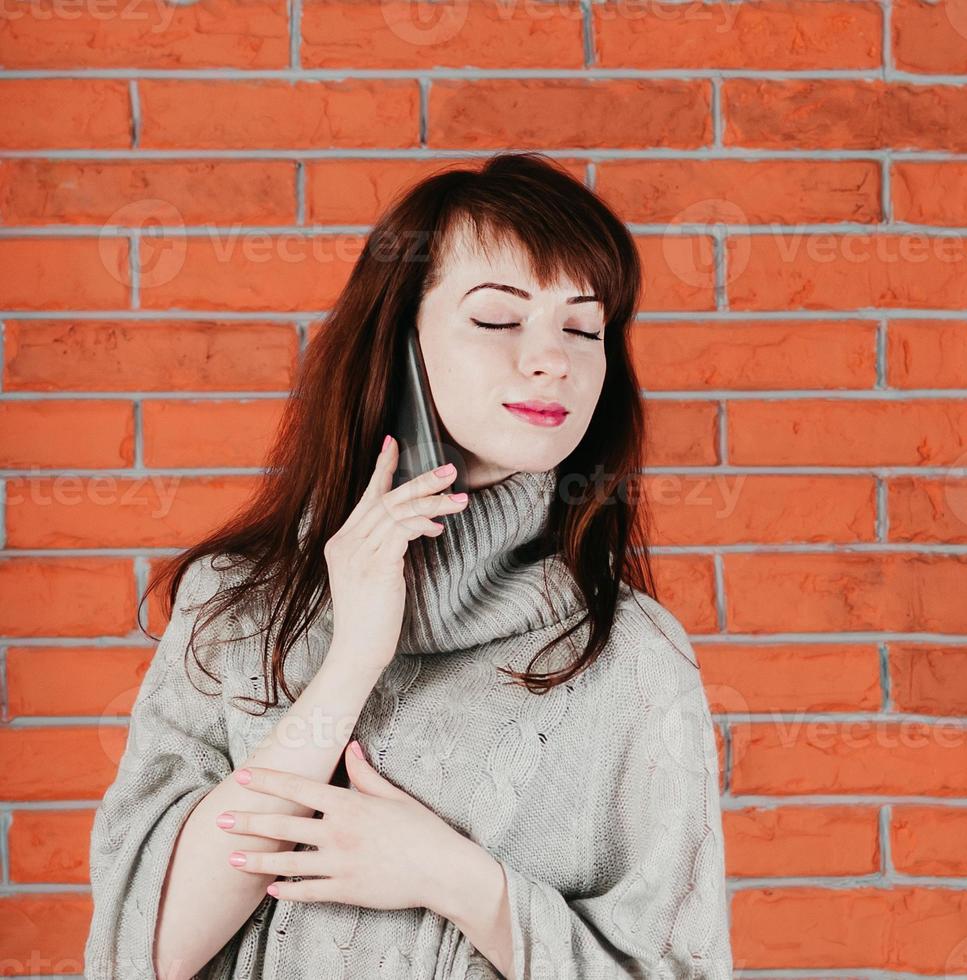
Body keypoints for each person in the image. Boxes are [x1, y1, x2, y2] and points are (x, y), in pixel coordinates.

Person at [83, 152, 734, 980]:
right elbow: (147, 950)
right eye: (498, 319)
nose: (552, 359)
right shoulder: (235, 605)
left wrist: (454, 879)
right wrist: (353, 656)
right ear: (400, 339)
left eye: (582, 326)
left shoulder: (632, 657)